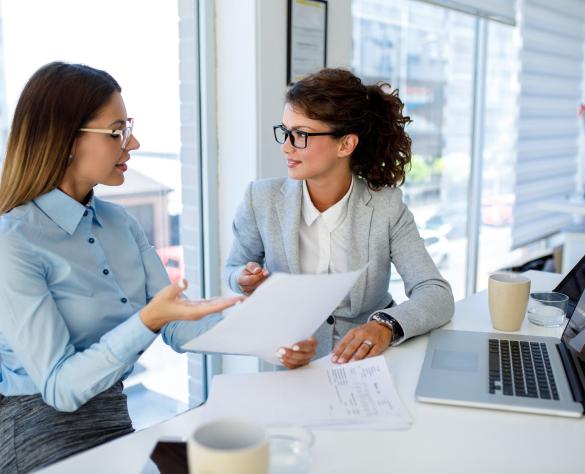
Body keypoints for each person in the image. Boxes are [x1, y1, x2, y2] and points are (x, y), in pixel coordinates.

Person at [0, 62, 242, 473]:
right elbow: (59, 387)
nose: (133, 144)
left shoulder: (119, 223)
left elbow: (176, 325)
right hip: (35, 427)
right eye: (117, 132)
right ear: (67, 140)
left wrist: (257, 322)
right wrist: (146, 320)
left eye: (127, 128)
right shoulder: (13, 241)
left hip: (112, 417)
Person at [224, 68, 454, 369]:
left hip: (368, 363)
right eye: (285, 131)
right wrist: (243, 279)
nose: (286, 146)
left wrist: (385, 326)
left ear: (345, 145)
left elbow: (436, 294)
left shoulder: (386, 206)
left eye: (301, 135)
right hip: (290, 360)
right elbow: (234, 268)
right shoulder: (261, 199)